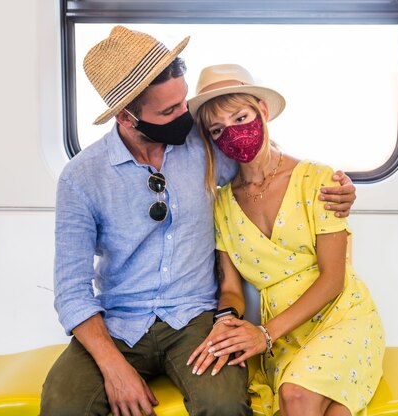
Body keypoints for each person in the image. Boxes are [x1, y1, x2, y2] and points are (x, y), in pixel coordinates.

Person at [40, 27, 357, 416]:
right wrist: (113, 367)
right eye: (169, 111)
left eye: (183, 102)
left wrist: (341, 186)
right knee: (62, 406)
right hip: (117, 324)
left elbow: (263, 160)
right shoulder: (81, 178)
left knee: (225, 405)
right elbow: (71, 290)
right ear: (126, 117)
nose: (184, 118)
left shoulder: (206, 146)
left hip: (194, 319)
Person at [186, 64, 385, 416]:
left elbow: (333, 277)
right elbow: (230, 287)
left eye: (240, 118)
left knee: (295, 396)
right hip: (285, 335)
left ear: (262, 111)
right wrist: (226, 321)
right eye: (218, 129)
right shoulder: (222, 204)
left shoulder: (318, 180)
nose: (232, 133)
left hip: (339, 317)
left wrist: (263, 335)